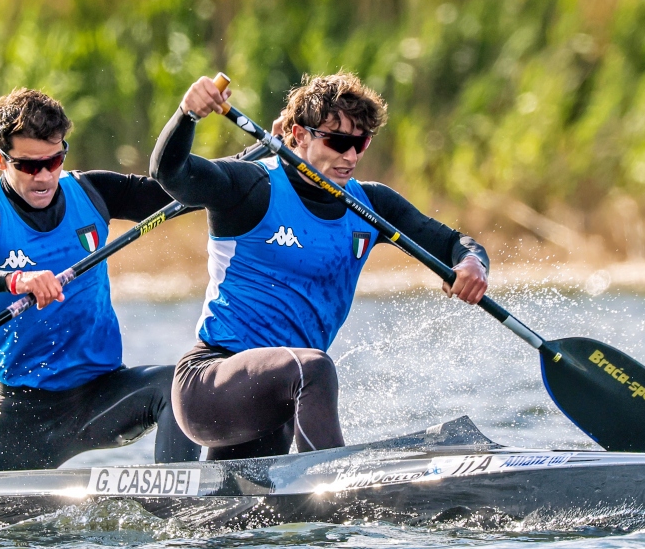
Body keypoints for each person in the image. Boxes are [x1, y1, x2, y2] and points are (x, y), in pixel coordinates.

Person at [150, 72, 489, 461]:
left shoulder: (371, 205)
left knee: (248, 501)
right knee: (314, 369)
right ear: (299, 135)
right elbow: (169, 173)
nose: (351, 156)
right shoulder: (252, 186)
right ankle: (336, 482)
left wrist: (472, 265)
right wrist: (187, 114)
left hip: (275, 404)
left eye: (361, 143)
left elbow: (453, 243)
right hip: (209, 385)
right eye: (338, 142)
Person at [0, 87, 200, 471]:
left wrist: (264, 160)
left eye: (54, 160)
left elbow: (188, 189)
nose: (44, 176)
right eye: (28, 166)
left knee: (178, 387)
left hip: (103, 395)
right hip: (26, 413)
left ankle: (179, 497)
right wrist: (15, 281)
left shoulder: (92, 192)